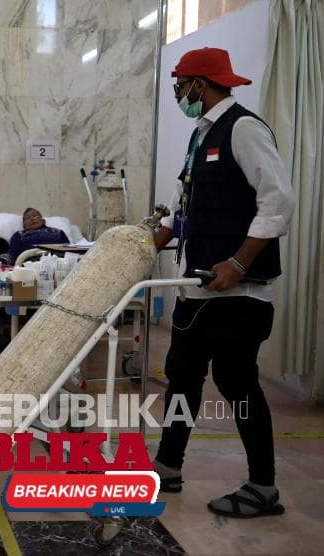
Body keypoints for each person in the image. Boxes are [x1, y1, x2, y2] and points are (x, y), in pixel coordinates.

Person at [153, 47, 295, 518]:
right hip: (196, 287)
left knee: (236, 382)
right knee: (182, 376)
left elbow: (278, 202)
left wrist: (238, 261)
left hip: (240, 291)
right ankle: (167, 466)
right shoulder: (201, 134)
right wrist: (147, 243)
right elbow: (183, 203)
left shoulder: (244, 129)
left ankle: (263, 486)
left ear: (200, 83)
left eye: (181, 85)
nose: (179, 93)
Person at [0, 208, 69, 268]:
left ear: (43, 221)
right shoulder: (19, 235)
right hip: (30, 265)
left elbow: (69, 250)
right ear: (24, 225)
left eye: (35, 216)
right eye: (27, 218)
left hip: (58, 264)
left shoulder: (58, 232)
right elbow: (12, 254)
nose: (32, 219)